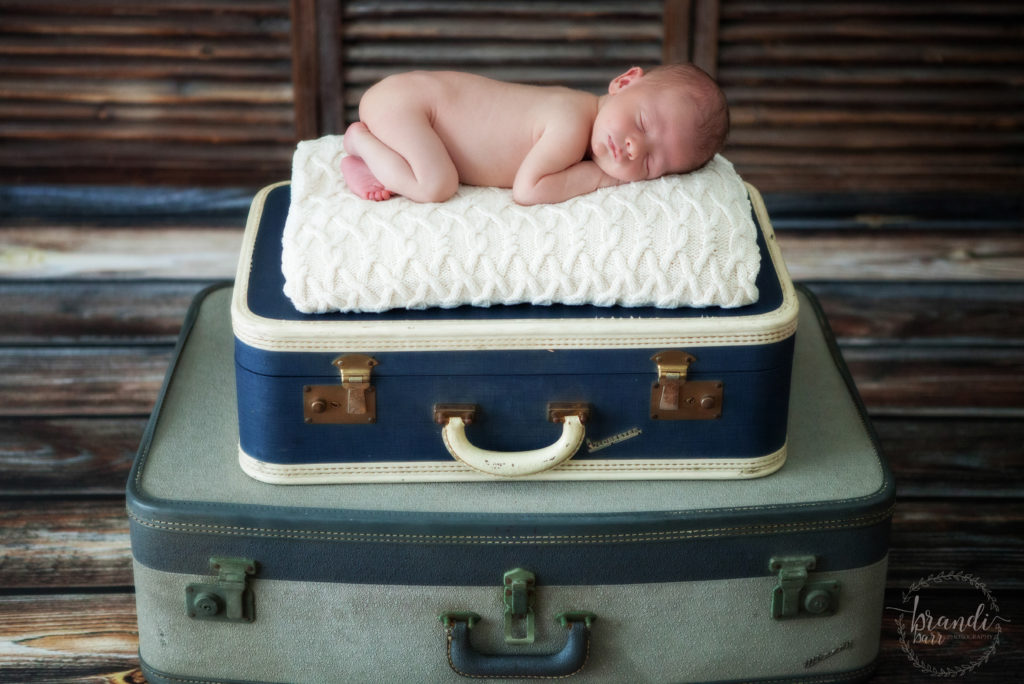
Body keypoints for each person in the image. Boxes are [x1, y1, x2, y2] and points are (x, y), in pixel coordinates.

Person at [340, 64, 729, 205]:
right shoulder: (570, 122)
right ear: (624, 82)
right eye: (642, 124)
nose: (633, 147)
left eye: (649, 162)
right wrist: (600, 177)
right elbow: (528, 190)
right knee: (436, 184)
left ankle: (369, 158)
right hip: (409, 106)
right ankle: (359, 141)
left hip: (411, 106)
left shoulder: (579, 117)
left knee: (436, 175)